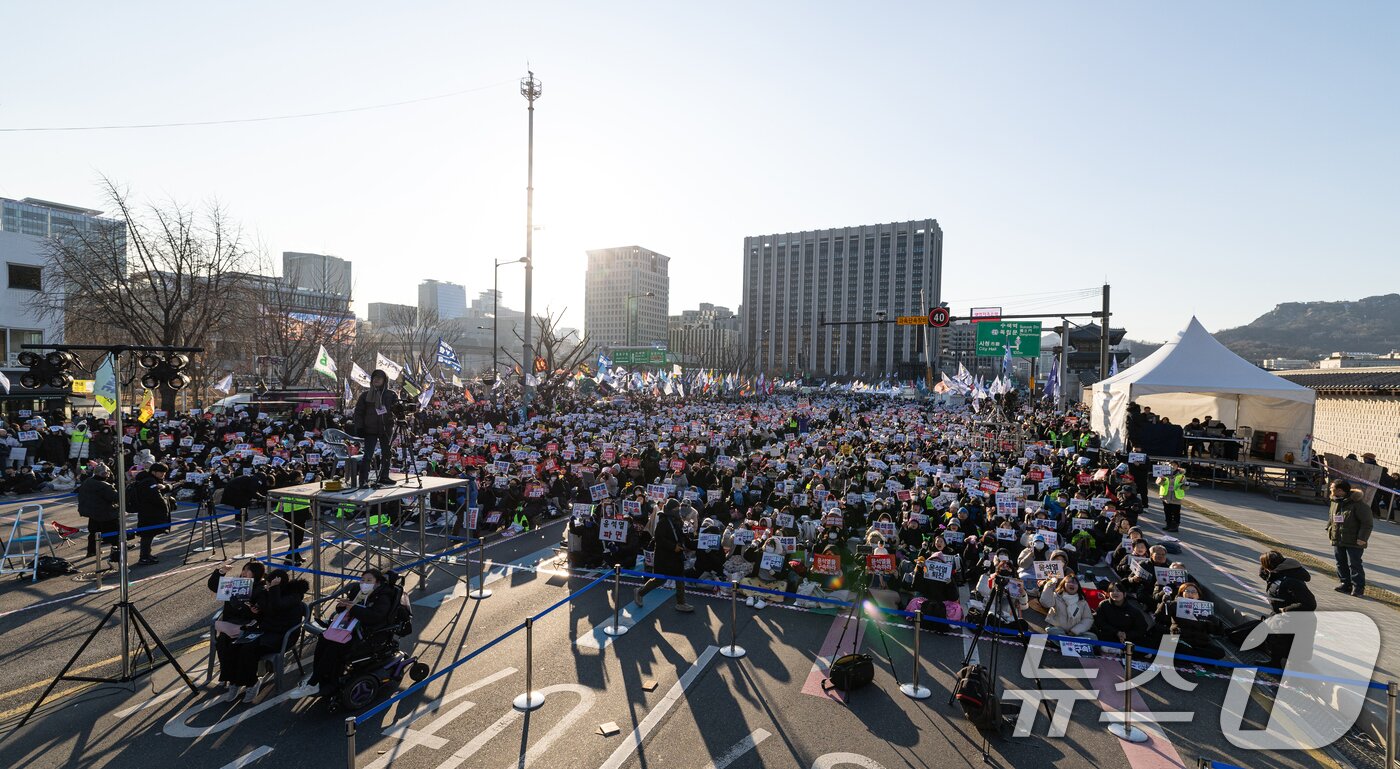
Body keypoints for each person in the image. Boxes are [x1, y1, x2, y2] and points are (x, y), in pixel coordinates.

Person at [291, 568, 402, 700]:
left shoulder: (383, 596)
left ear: (377, 583)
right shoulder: (359, 592)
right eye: (362, 580)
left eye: (368, 580)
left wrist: (353, 608)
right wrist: (344, 605)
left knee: (334, 647)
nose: (364, 583)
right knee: (323, 639)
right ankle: (317, 677)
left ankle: (315, 682)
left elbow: (375, 616)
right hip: (349, 629)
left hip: (368, 635)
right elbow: (342, 609)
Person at [226, 568, 309, 703]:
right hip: (266, 632)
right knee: (235, 645)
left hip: (282, 636)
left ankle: (251, 683)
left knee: (249, 649)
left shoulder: (293, 596)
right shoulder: (270, 593)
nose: (267, 586)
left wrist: (274, 589)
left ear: (278, 584)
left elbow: (278, 606)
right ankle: (235, 682)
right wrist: (248, 609)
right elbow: (261, 614)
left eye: (269, 584)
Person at [207, 559, 268, 700]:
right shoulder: (234, 583)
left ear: (256, 573)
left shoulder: (261, 589)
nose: (244, 573)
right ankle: (233, 681)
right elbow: (214, 586)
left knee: (242, 649)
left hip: (249, 628)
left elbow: (261, 611)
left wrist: (246, 607)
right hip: (230, 625)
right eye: (243, 570)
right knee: (223, 644)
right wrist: (220, 572)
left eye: (248, 570)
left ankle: (250, 683)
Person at [1258, 550, 1316, 670]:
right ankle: (1275, 662)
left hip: (1296, 620)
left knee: (1292, 649)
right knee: (1276, 640)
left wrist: (1285, 609)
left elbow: (1310, 603)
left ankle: (1292, 675)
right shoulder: (1281, 572)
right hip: (1283, 617)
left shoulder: (1290, 580)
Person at [634, 499, 694, 612]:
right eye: (675, 509)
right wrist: (673, 546)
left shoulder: (678, 521)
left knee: (680, 578)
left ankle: (681, 602)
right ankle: (640, 592)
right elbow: (659, 539)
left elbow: (682, 537)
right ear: (671, 509)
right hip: (664, 557)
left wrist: (692, 542)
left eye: (678, 508)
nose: (678, 510)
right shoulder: (663, 521)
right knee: (659, 580)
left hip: (676, 556)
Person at [352, 369, 399, 487]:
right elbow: (358, 412)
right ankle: (363, 480)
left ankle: (384, 476)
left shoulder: (390, 394)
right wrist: (360, 427)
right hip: (370, 429)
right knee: (367, 455)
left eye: (380, 378)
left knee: (387, 454)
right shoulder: (365, 395)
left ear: (384, 380)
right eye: (375, 377)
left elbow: (397, 410)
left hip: (386, 429)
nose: (377, 380)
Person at [1325, 480, 1372, 597]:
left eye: (1332, 488)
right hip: (1338, 538)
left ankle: (1358, 588)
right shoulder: (1334, 501)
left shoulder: (1358, 505)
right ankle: (1345, 584)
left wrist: (1362, 538)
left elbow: (1367, 523)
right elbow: (1332, 517)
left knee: (1355, 564)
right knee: (1340, 562)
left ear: (1340, 490)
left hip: (1354, 540)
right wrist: (1329, 528)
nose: (1330, 489)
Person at [129, 462, 175, 565]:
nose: (163, 474)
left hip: (146, 512)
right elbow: (156, 498)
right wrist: (165, 506)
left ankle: (147, 555)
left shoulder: (146, 479)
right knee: (147, 535)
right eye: (161, 472)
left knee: (148, 535)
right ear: (154, 472)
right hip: (149, 512)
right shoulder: (149, 481)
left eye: (164, 472)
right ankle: (144, 557)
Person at [78, 463, 121, 560]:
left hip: (92, 512)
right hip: (105, 513)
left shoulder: (87, 481)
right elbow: (115, 497)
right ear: (105, 474)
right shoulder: (104, 486)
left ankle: (91, 550)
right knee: (114, 533)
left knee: (93, 532)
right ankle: (117, 550)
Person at [1040, 574, 1095, 639]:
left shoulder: (1082, 602)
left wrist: (1075, 631)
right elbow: (1046, 603)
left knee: (1093, 637)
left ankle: (1066, 641)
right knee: (1053, 631)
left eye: (1075, 583)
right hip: (1057, 629)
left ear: (1078, 587)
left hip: (1074, 633)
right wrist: (1049, 586)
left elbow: (1088, 619)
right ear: (1063, 584)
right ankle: (1069, 642)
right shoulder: (1056, 596)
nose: (1072, 584)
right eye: (1069, 582)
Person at [1157, 463, 1187, 532]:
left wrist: (1186, 485)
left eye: (1174, 465)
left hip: (1176, 497)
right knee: (1167, 511)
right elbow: (1158, 483)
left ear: (1177, 467)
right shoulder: (1163, 473)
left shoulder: (1181, 476)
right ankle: (1168, 524)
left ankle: (1175, 527)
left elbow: (1184, 487)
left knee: (1176, 512)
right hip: (1166, 496)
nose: (1172, 466)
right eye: (1171, 465)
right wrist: (1162, 479)